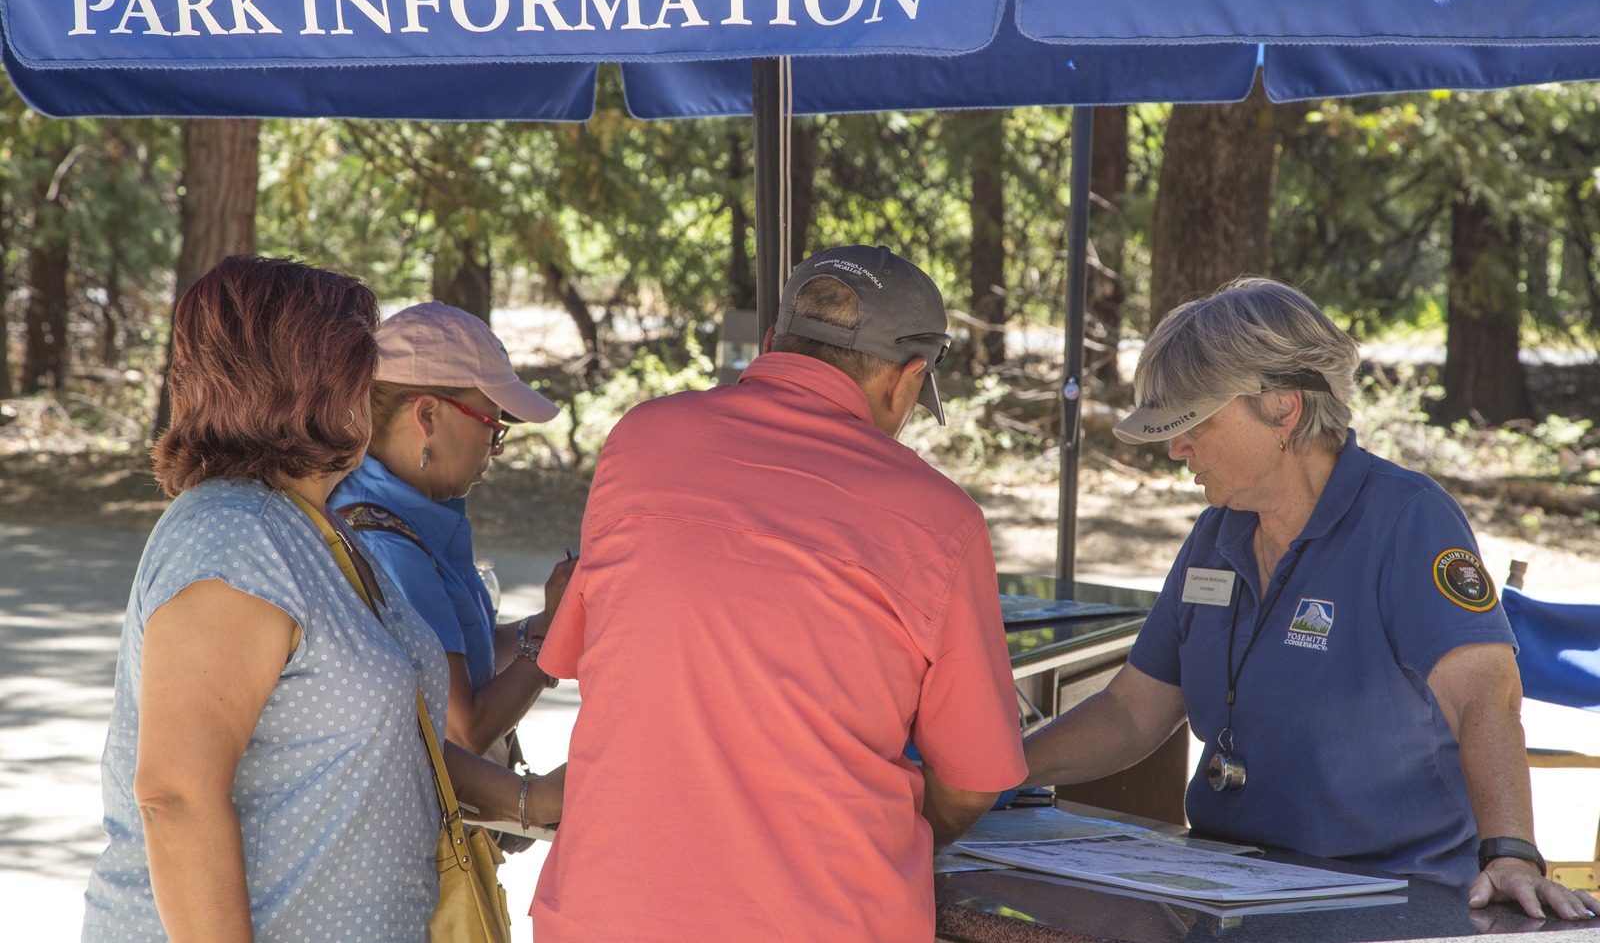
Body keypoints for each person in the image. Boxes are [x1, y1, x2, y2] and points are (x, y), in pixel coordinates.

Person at [1023, 277, 1598, 922]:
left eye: (1197, 424)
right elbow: (1133, 713)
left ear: (1283, 409)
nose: (1175, 448)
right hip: (1227, 890)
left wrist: (1511, 852)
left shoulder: (1408, 520)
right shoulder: (1218, 530)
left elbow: (1485, 699)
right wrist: (1000, 768)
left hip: (1391, 901)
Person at [531, 246, 1027, 942]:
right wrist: (909, 832)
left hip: (606, 909)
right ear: (908, 380)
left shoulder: (640, 442)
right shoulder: (938, 519)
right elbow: (973, 782)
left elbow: (596, 659)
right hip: (820, 916)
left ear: (770, 343)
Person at [82, 256, 559, 943]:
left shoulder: (305, 523)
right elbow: (177, 797)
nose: (373, 387)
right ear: (306, 384)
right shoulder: (233, 538)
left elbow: (391, 741)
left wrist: (526, 799)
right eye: (359, 365)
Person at [328, 302, 574, 781]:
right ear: (427, 415)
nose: (494, 448)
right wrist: (548, 641)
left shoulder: (406, 511)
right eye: (492, 426)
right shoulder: (386, 539)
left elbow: (465, 657)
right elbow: (466, 728)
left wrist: (552, 617)